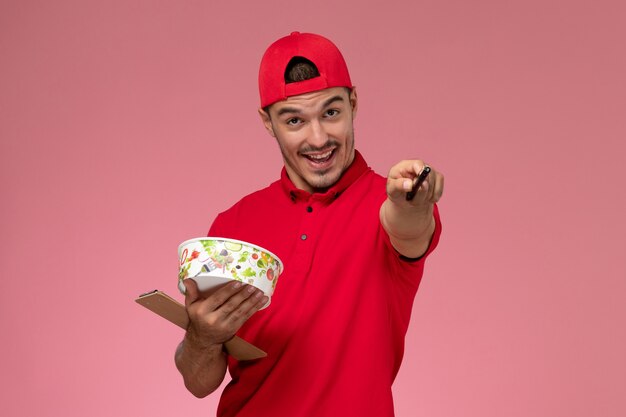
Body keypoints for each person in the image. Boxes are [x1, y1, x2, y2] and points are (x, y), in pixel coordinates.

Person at [175, 31, 444, 417]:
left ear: (353, 103)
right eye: (295, 120)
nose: (318, 138)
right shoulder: (232, 226)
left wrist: (413, 199)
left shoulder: (388, 203)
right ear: (267, 122)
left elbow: (408, 226)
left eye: (331, 113)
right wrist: (202, 337)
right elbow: (199, 383)